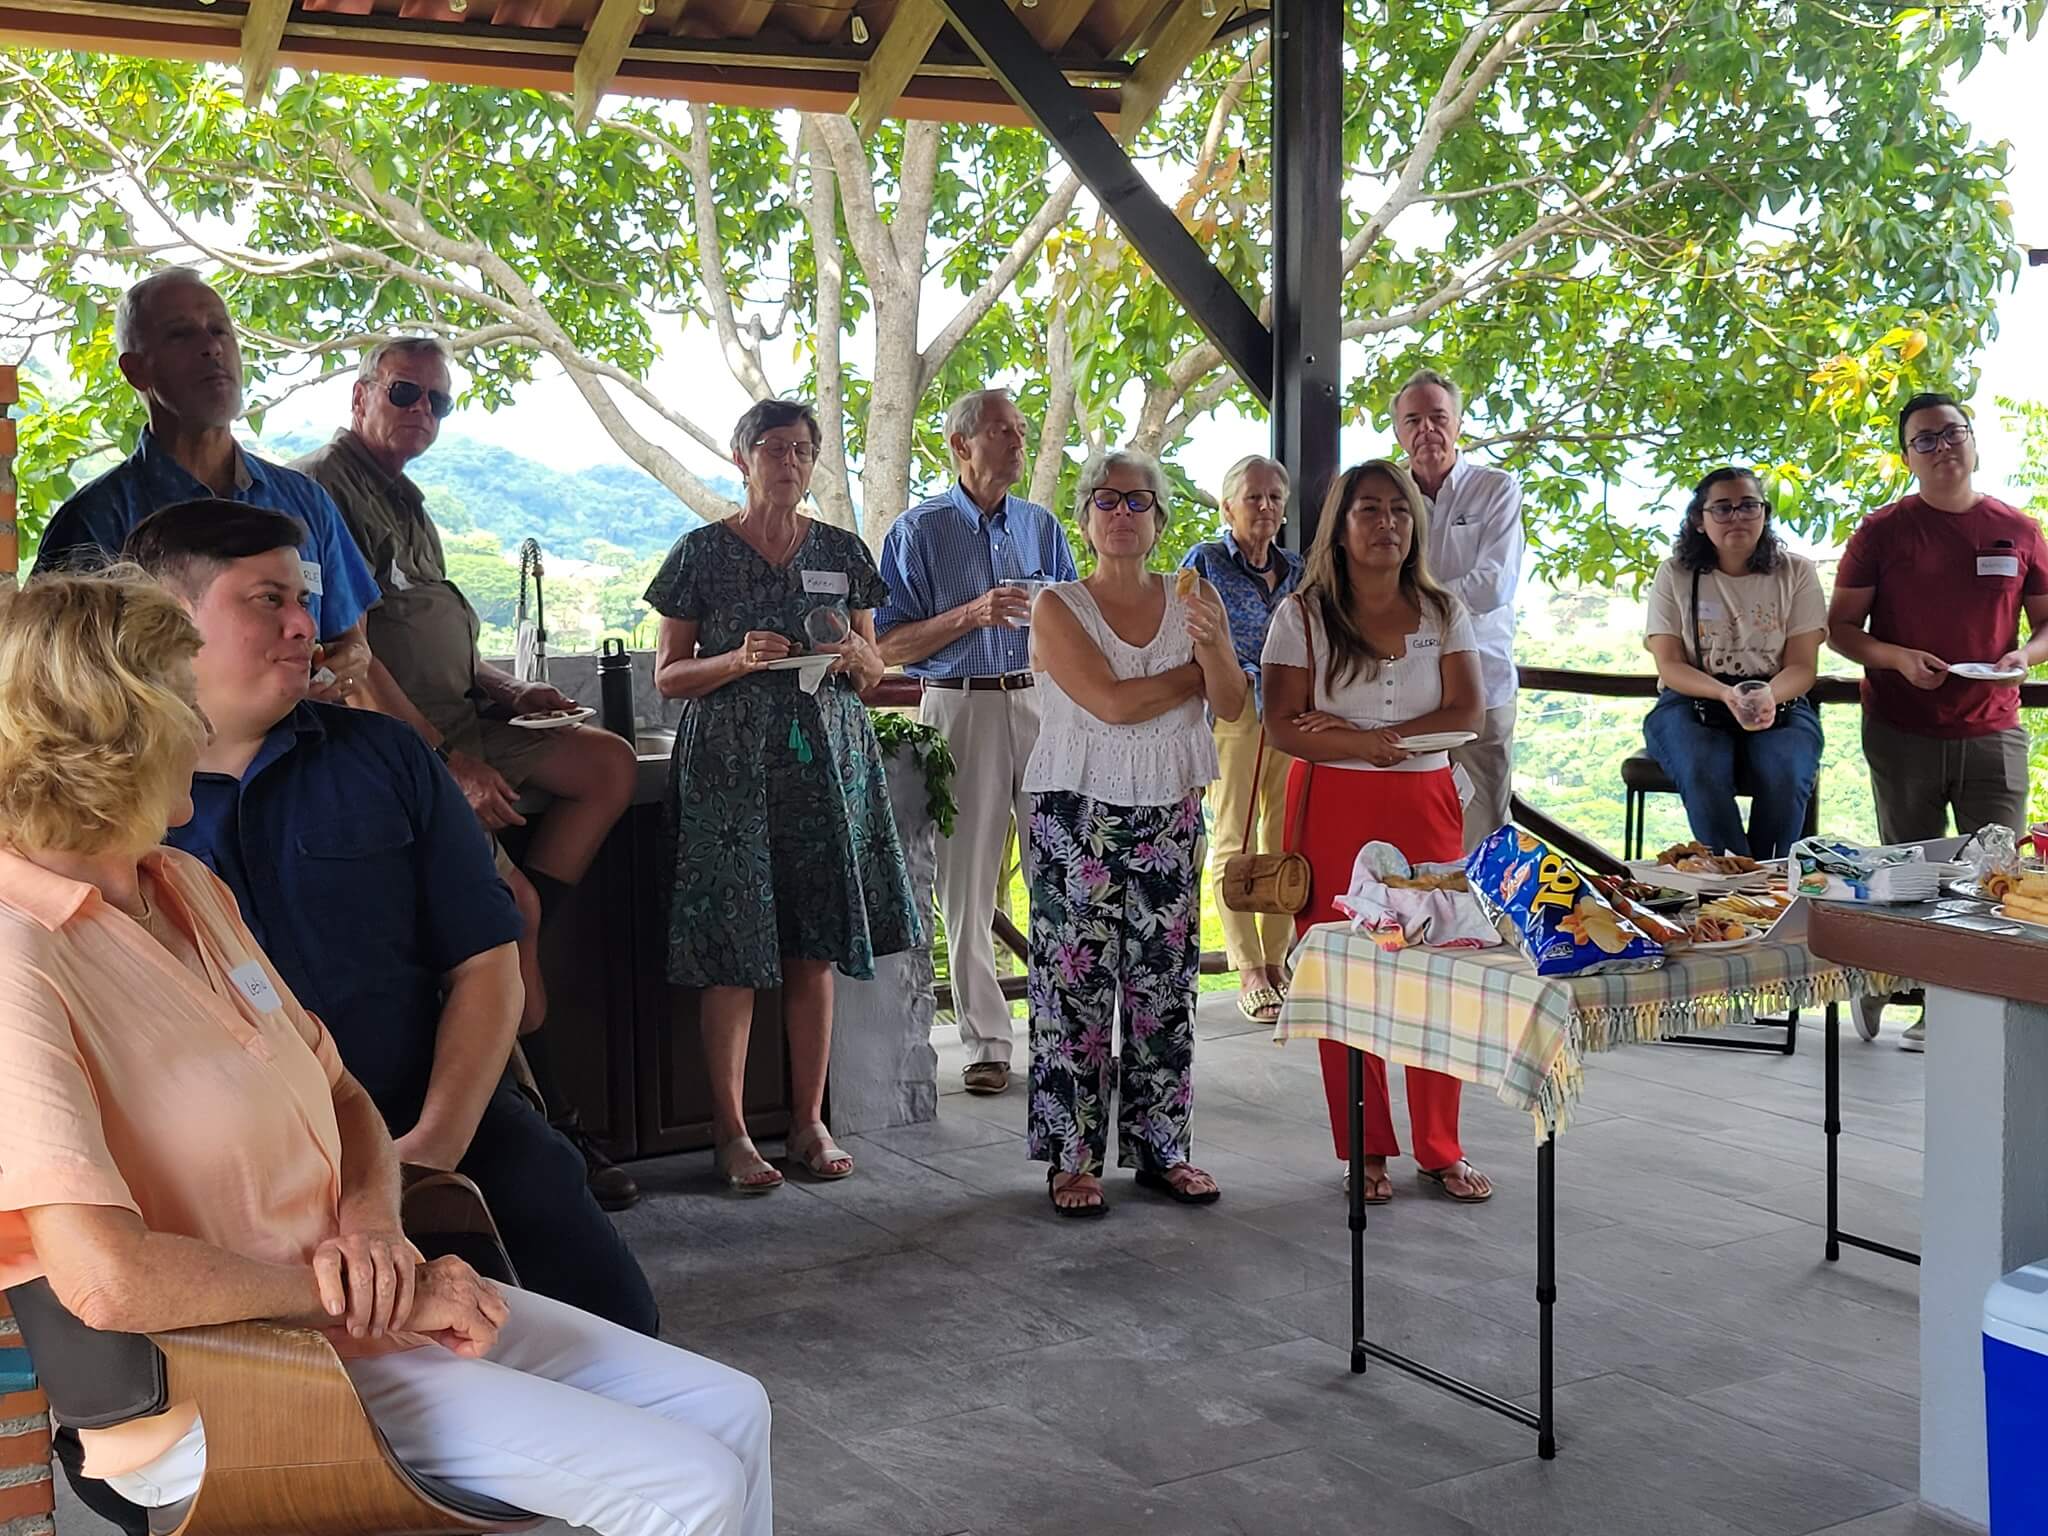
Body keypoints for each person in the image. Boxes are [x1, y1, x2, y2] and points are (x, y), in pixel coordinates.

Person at [0, 570, 770, 1536]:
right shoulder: (20, 953)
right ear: (107, 736)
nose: (202, 729)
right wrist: (366, 1294)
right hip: (230, 1375)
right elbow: (107, 1281)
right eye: (181, 704)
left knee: (733, 1408)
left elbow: (343, 1093)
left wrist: (373, 1228)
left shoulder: (181, 885)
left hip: (357, 1317)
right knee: (690, 1482)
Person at [120, 501, 657, 1335]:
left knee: (615, 1328)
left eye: (304, 599)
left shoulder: (384, 756)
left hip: (440, 1118)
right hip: (236, 1175)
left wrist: (429, 1153)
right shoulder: (114, 808)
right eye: (267, 600)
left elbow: (488, 963)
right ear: (168, 620)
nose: (306, 625)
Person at [295, 336, 640, 1211]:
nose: (423, 412)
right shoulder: (321, 493)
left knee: (606, 765)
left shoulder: (407, 502)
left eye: (438, 402)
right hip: (395, 746)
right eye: (405, 393)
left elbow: (435, 633)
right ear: (360, 395)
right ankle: (552, 1128)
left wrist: (508, 689)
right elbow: (352, 659)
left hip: (460, 719)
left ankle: (520, 923)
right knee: (511, 919)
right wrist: (447, 765)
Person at [648, 400, 918, 1193]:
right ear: (742, 459)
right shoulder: (700, 553)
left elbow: (873, 671)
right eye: (773, 448)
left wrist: (858, 657)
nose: (789, 463)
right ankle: (731, 1134)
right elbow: (669, 677)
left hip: (825, 763)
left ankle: (808, 1123)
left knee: (814, 945)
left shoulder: (842, 550)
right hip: (730, 771)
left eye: (802, 450)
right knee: (731, 952)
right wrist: (734, 660)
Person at [1261, 460, 1492, 1205]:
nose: (1386, 522)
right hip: (1333, 803)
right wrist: (1364, 745)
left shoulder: (1443, 609)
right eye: (1369, 509)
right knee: (1348, 971)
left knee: (1440, 968)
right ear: (1340, 525)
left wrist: (1360, 733)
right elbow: (1282, 724)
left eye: (1398, 510)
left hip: (1425, 801)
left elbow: (1467, 713)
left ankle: (1441, 1147)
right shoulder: (1301, 614)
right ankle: (1364, 1147)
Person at [1023, 448, 1246, 1216]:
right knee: (1072, 991)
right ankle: (1072, 1159)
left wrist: (1214, 649)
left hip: (1170, 810)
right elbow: (1111, 703)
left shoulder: (1193, 595)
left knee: (1164, 987)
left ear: (1159, 517)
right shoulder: (1057, 604)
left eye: (1138, 500)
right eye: (1107, 500)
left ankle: (1164, 1150)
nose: (1122, 513)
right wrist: (1192, 675)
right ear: (1085, 516)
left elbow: (1234, 703)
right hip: (1076, 813)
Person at [29, 267, 379, 705]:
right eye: (180, 334)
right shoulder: (96, 520)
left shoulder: (305, 501)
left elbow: (352, 642)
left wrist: (338, 668)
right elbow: (55, 680)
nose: (211, 347)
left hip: (306, 740)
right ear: (136, 371)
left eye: (219, 330)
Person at [1828, 391, 2048, 1050]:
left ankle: (1955, 1013)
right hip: (1902, 728)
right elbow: (1842, 629)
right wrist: (1897, 658)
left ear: (1973, 441)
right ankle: (1884, 982)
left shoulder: (2019, 528)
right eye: (1924, 438)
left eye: (1953, 432)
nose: (1942, 446)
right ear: (1908, 457)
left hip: (1993, 729)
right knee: (1908, 875)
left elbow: (2047, 626)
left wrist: (2024, 657)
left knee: (1996, 876)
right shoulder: (1882, 531)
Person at [876, 389, 1080, 1096]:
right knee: (965, 885)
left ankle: (1067, 1037)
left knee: (1061, 871)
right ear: (960, 446)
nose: (1019, 441)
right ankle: (987, 1043)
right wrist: (972, 614)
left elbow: (1076, 621)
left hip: (1043, 701)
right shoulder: (917, 531)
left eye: (1021, 429)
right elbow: (887, 644)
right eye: (1002, 430)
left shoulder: (1041, 526)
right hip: (960, 707)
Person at [1641, 468, 1827, 860]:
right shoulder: (1675, 573)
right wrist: (1726, 694)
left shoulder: (1796, 572)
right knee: (1701, 768)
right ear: (1700, 519)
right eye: (1722, 508)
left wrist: (1766, 695)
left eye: (1748, 506)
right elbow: (1670, 664)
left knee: (1787, 771)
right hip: (1692, 699)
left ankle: (1767, 872)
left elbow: (1802, 666)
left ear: (1765, 513)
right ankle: (1737, 876)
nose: (1737, 517)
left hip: (1779, 698)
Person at [1179, 455, 1303, 1022]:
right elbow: (1181, 631)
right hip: (1233, 709)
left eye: (1274, 497)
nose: (1265, 506)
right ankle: (1248, 966)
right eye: (1253, 497)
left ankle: (1277, 960)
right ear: (1228, 507)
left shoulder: (1297, 570)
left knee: (1283, 836)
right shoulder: (1204, 562)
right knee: (1234, 835)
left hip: (1290, 712)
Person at [1391, 368, 1524, 849]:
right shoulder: (1387, 495)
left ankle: (1485, 905)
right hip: (1403, 689)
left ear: (1459, 423)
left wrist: (1402, 607)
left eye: (1438, 417)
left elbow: (1492, 587)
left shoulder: (1496, 489)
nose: (1426, 429)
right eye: (1413, 420)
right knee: (1409, 828)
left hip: (1482, 686)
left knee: (1484, 830)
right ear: (1398, 432)